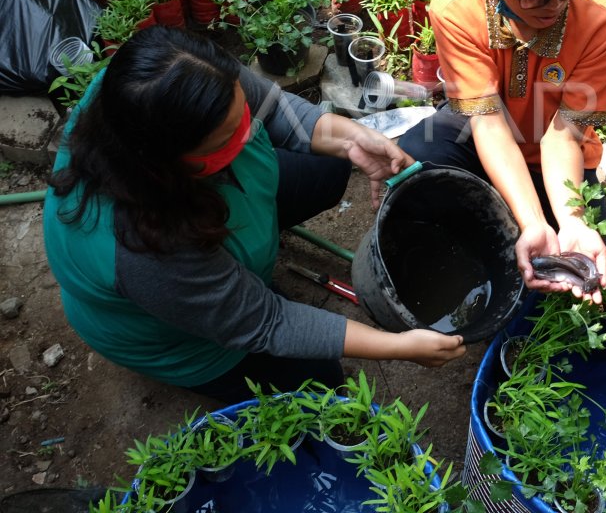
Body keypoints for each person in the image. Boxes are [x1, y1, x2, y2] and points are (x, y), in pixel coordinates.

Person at [43, 27, 465, 403]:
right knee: (319, 380)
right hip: (182, 336)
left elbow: (274, 108)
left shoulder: (175, 78)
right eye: (228, 136)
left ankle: (246, 260)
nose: (249, 131)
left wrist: (355, 139)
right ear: (165, 159)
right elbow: (268, 320)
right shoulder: (144, 248)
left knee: (329, 163)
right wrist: (399, 345)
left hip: (201, 215)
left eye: (241, 114)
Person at [399, 0, 606, 304]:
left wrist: (569, 221)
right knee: (418, 162)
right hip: (482, 133)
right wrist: (531, 221)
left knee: (586, 268)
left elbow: (564, 136)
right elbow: (487, 123)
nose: (554, 4)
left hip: (560, 154)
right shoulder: (456, 10)